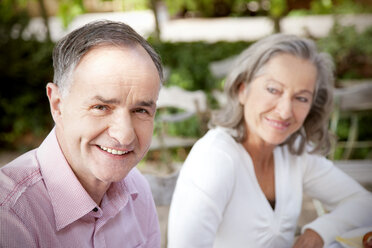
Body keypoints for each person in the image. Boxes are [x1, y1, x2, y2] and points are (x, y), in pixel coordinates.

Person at [167, 33, 372, 248]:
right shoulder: (215, 158)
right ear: (242, 90)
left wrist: (319, 232)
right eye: (273, 89)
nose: (285, 112)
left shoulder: (295, 151)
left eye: (301, 98)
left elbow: (364, 204)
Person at [0, 20, 163, 247]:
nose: (124, 135)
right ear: (57, 104)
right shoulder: (9, 216)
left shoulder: (138, 191)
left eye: (140, 110)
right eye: (101, 107)